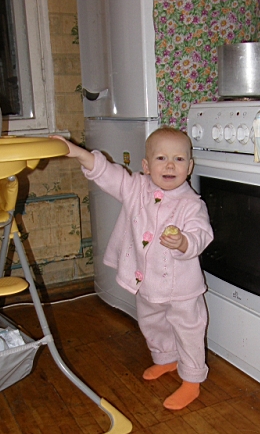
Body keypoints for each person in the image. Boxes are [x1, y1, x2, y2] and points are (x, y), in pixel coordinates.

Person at [53, 127, 213, 410]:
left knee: (188, 330)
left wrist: (183, 242)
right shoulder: (136, 188)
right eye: (161, 158)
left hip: (182, 288)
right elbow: (109, 174)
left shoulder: (191, 204)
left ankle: (191, 379)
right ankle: (166, 358)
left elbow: (201, 234)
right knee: (151, 322)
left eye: (178, 159)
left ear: (189, 167)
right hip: (146, 282)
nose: (170, 165)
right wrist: (78, 153)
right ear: (146, 166)